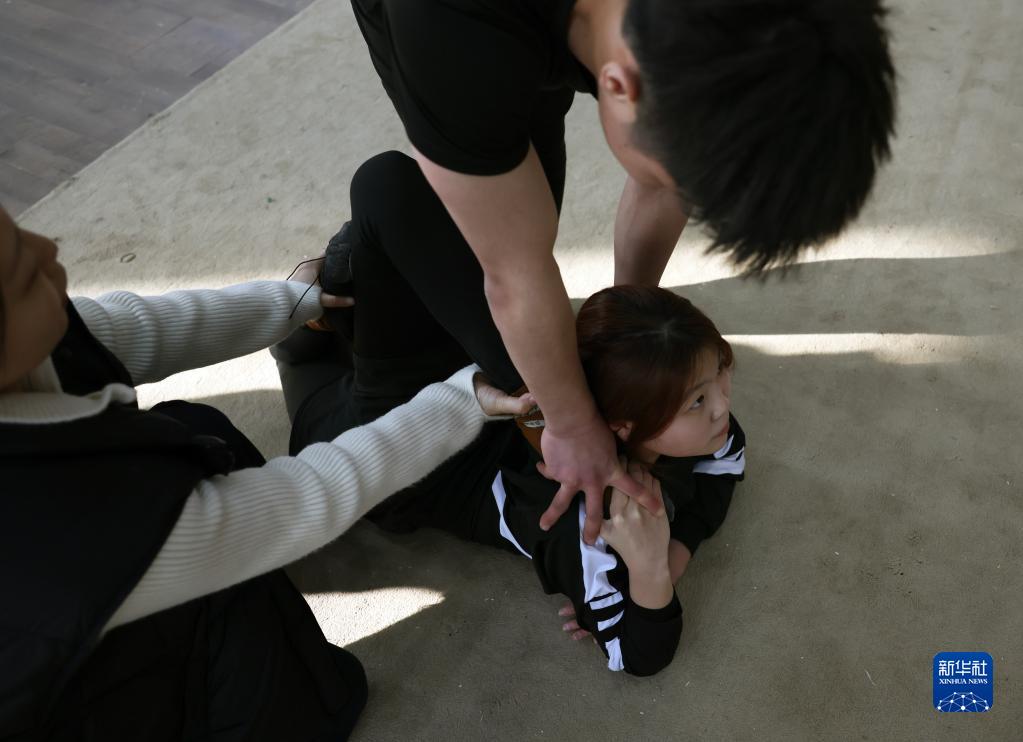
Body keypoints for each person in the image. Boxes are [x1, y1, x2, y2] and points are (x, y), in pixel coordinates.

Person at [347, 0, 895, 542]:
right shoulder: (452, 41)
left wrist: (629, 331)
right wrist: (572, 423)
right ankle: (355, 256)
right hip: (451, 32)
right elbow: (514, 272)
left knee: (533, 202)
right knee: (496, 242)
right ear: (619, 85)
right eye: (681, 187)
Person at [0, 204, 532, 740]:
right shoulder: (66, 524)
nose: (48, 247)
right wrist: (459, 401)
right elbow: (299, 502)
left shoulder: (32, 342)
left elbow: (142, 327)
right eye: (24, 273)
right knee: (250, 622)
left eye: (20, 234)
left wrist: (292, 300)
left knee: (196, 432)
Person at [273, 153, 746, 675]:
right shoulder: (686, 438)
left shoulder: (602, 523)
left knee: (319, 335)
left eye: (720, 372)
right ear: (623, 425)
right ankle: (332, 304)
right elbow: (721, 469)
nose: (723, 406)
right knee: (393, 191)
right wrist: (654, 565)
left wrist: (660, 562)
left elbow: (634, 652)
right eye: (700, 398)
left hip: (400, 459)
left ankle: (313, 318)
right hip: (476, 383)